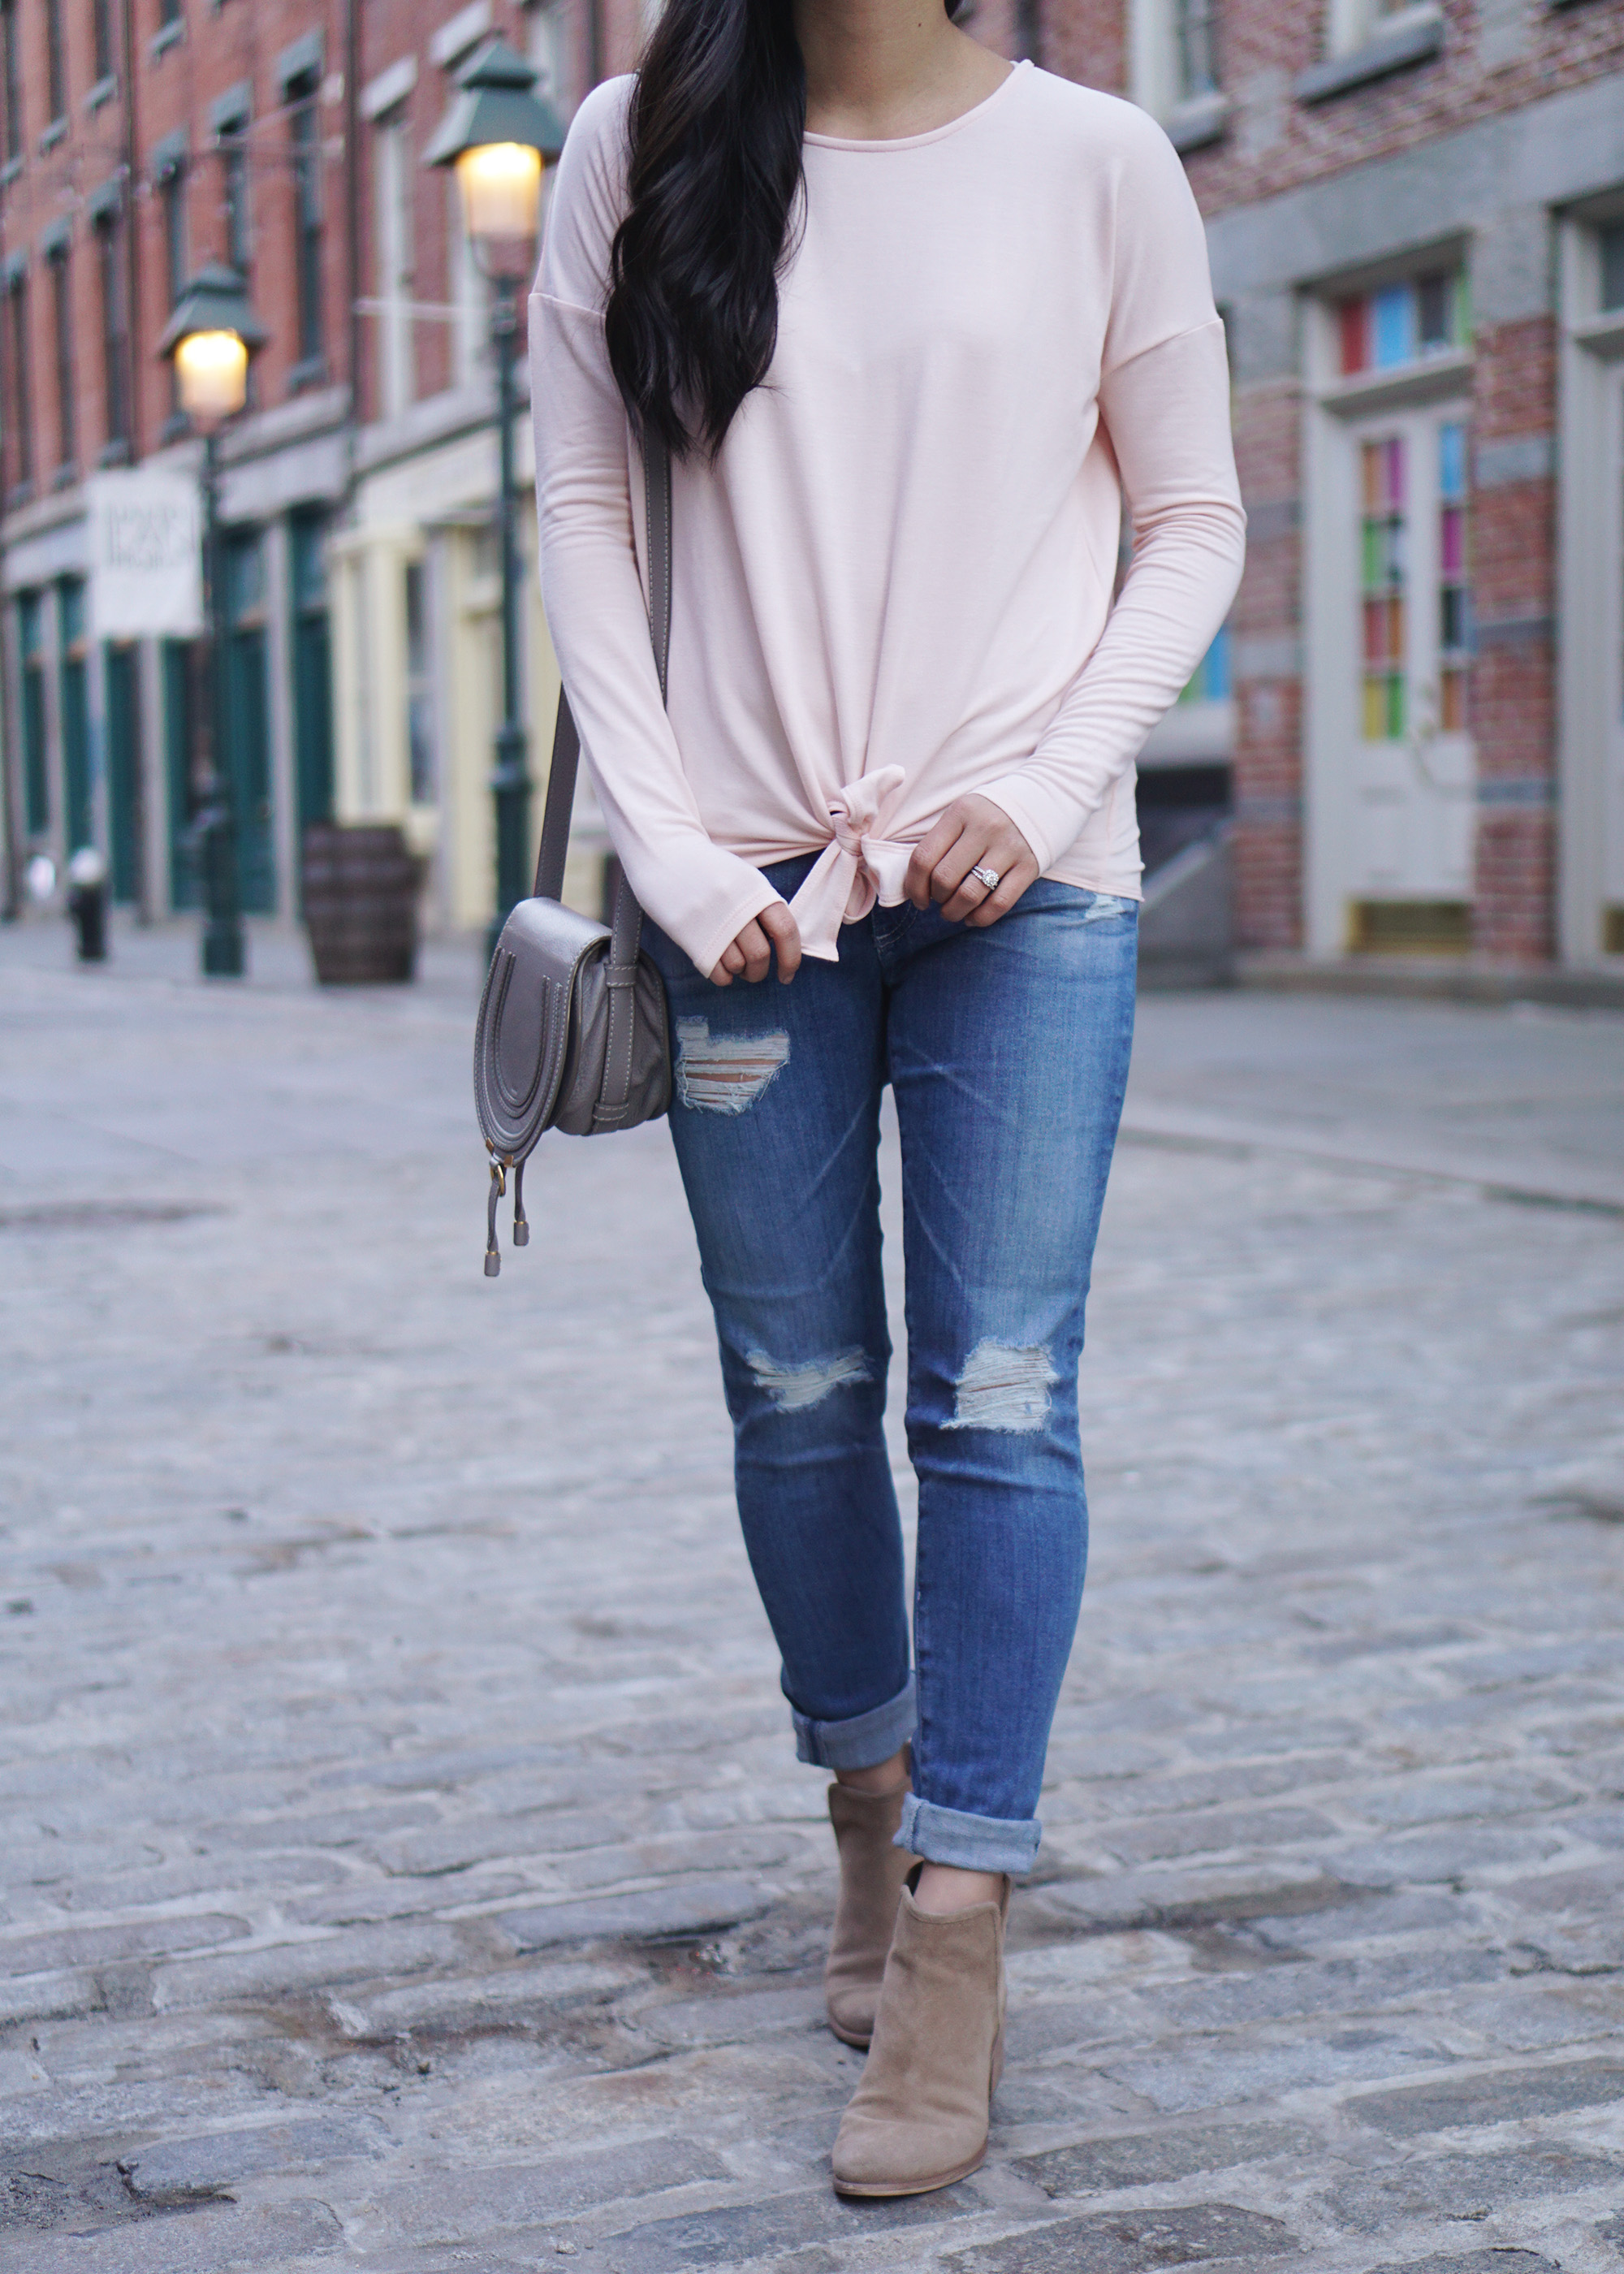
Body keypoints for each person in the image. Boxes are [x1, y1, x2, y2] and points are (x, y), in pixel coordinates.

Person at [529, 0, 1245, 2200]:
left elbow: (1192, 523)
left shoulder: (1100, 160)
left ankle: (959, 1916)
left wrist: (1046, 784)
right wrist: (667, 857)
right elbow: (585, 510)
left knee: (1004, 1393)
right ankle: (867, 1794)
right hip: (740, 896)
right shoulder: (636, 143)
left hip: (1028, 886)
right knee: (798, 1390)